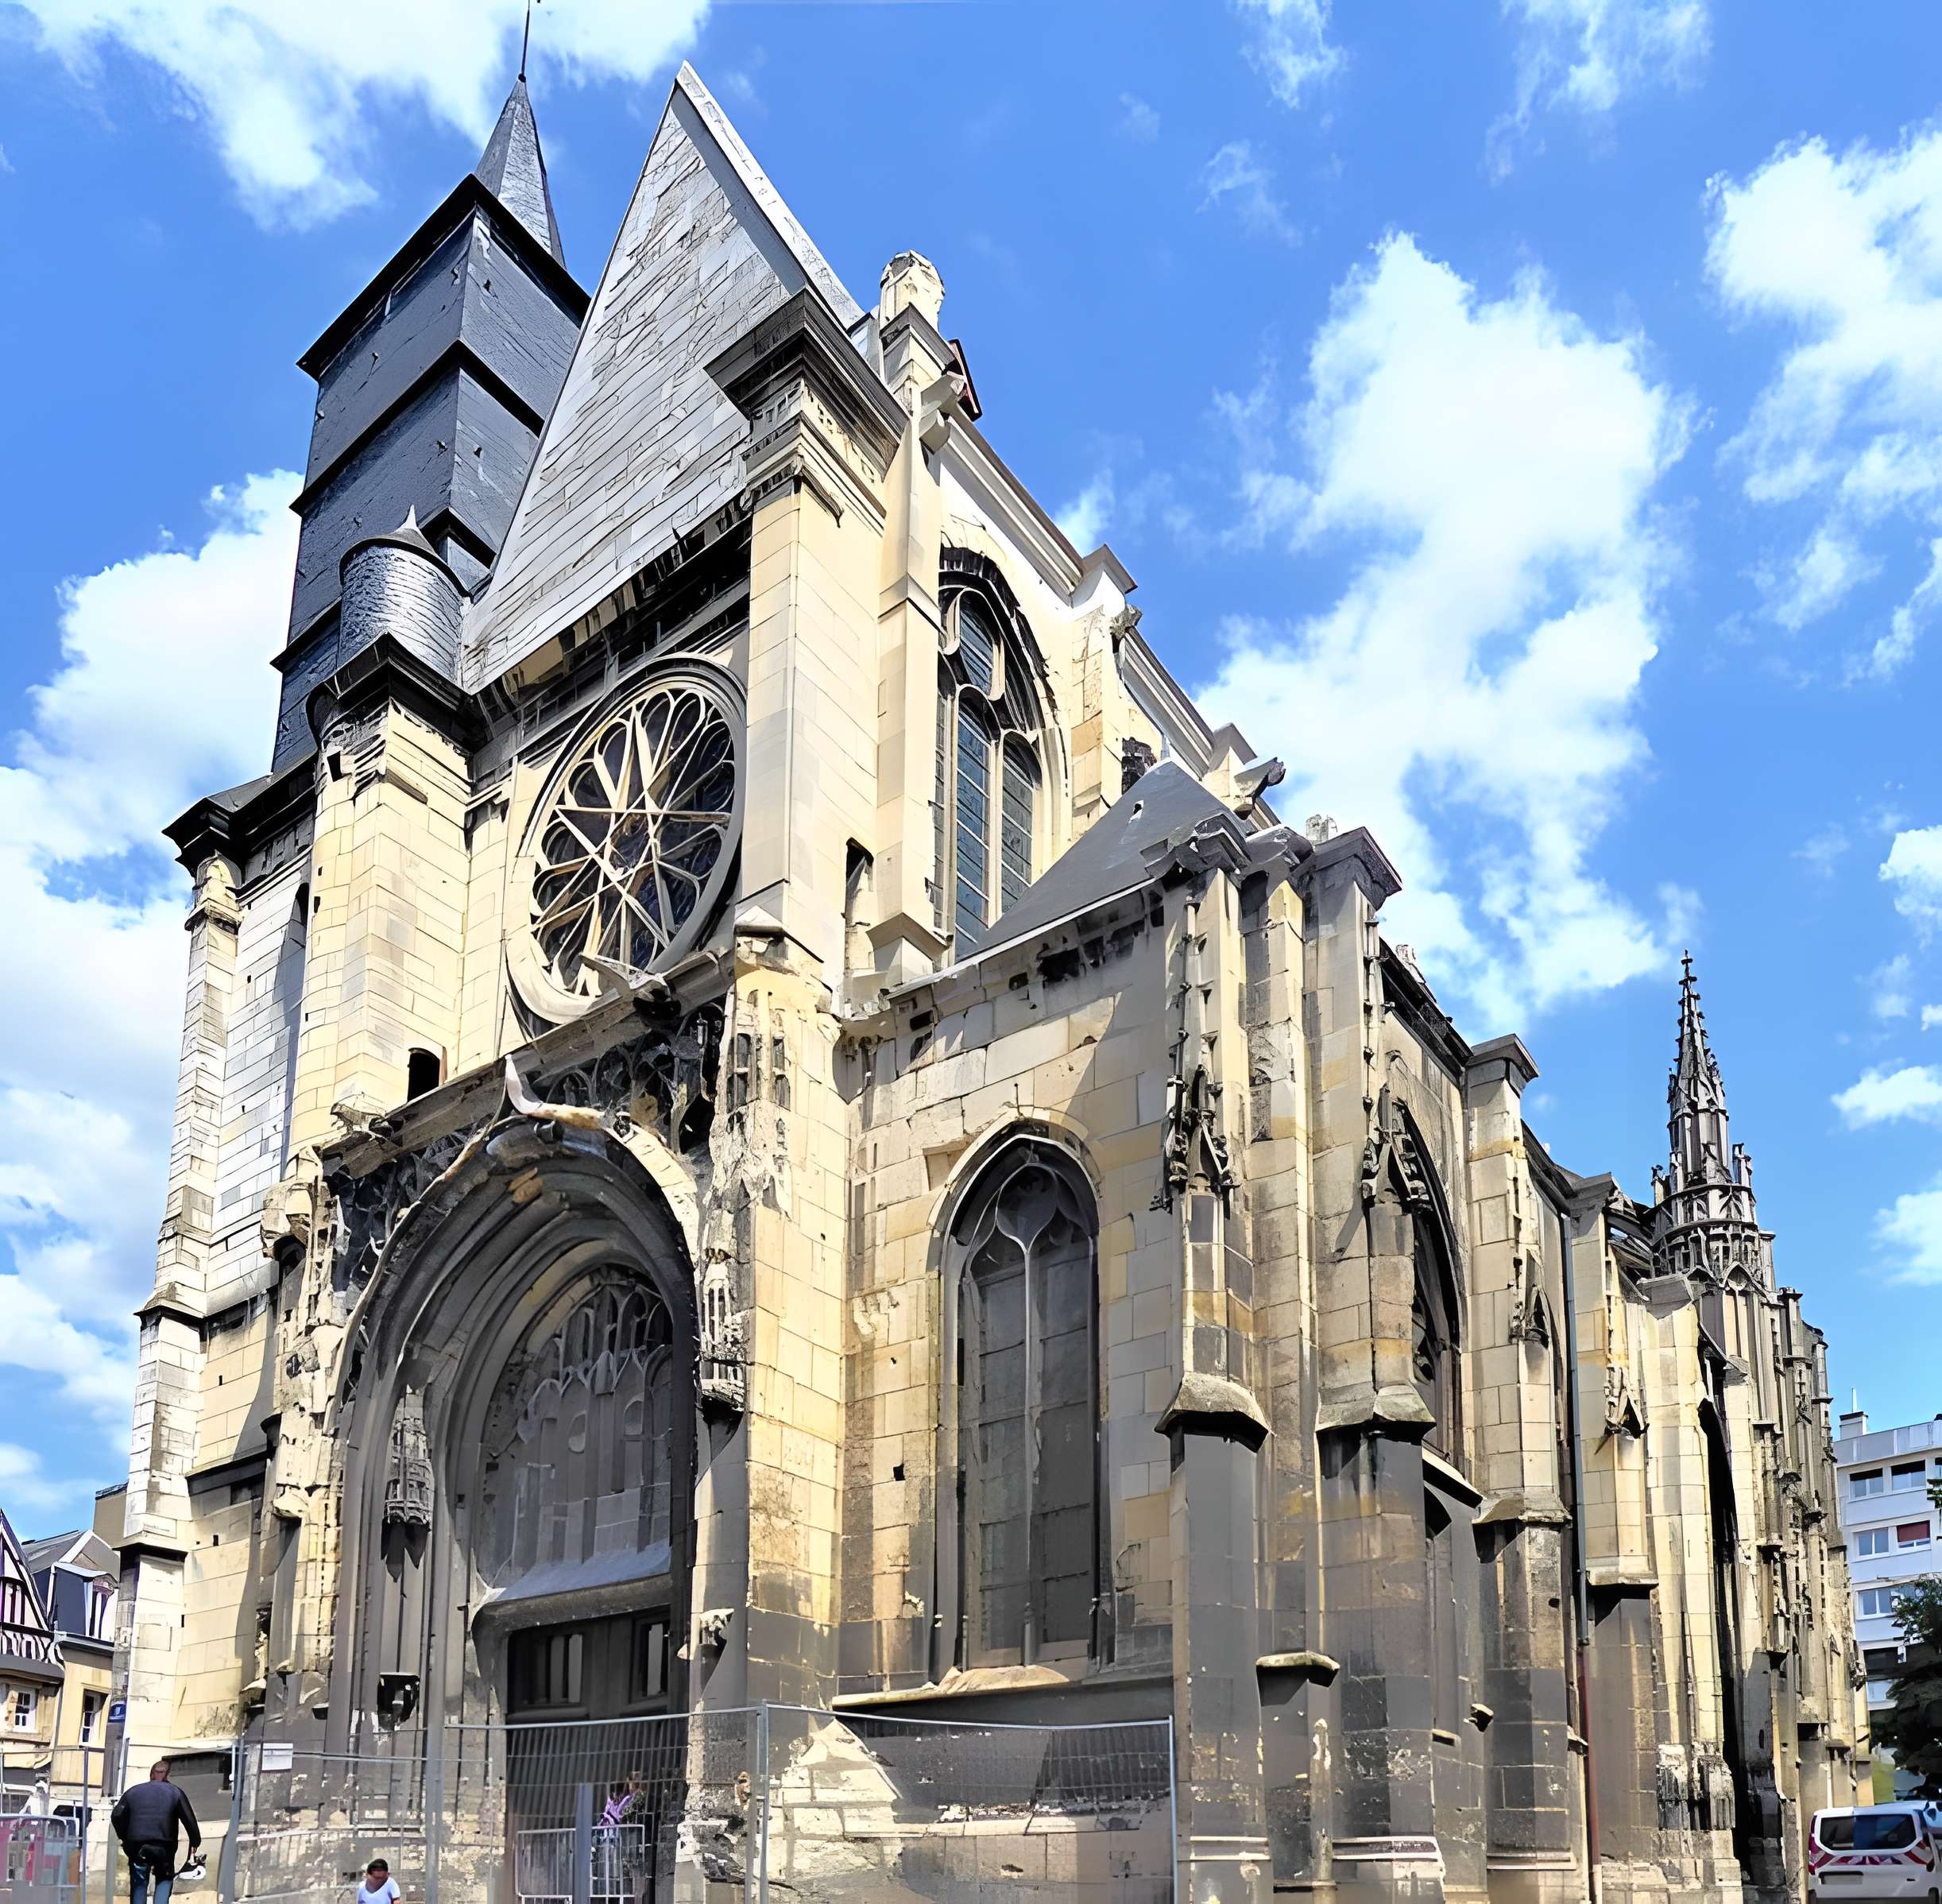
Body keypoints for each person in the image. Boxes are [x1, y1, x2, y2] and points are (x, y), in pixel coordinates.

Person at [110, 1760, 201, 1904]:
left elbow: (116, 1816)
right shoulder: (175, 1792)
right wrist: (195, 1842)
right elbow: (190, 1821)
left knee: (139, 1883)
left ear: (151, 1775)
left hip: (137, 1846)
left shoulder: (133, 1792)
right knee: (164, 1880)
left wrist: (125, 1837)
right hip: (164, 1847)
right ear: (167, 1776)